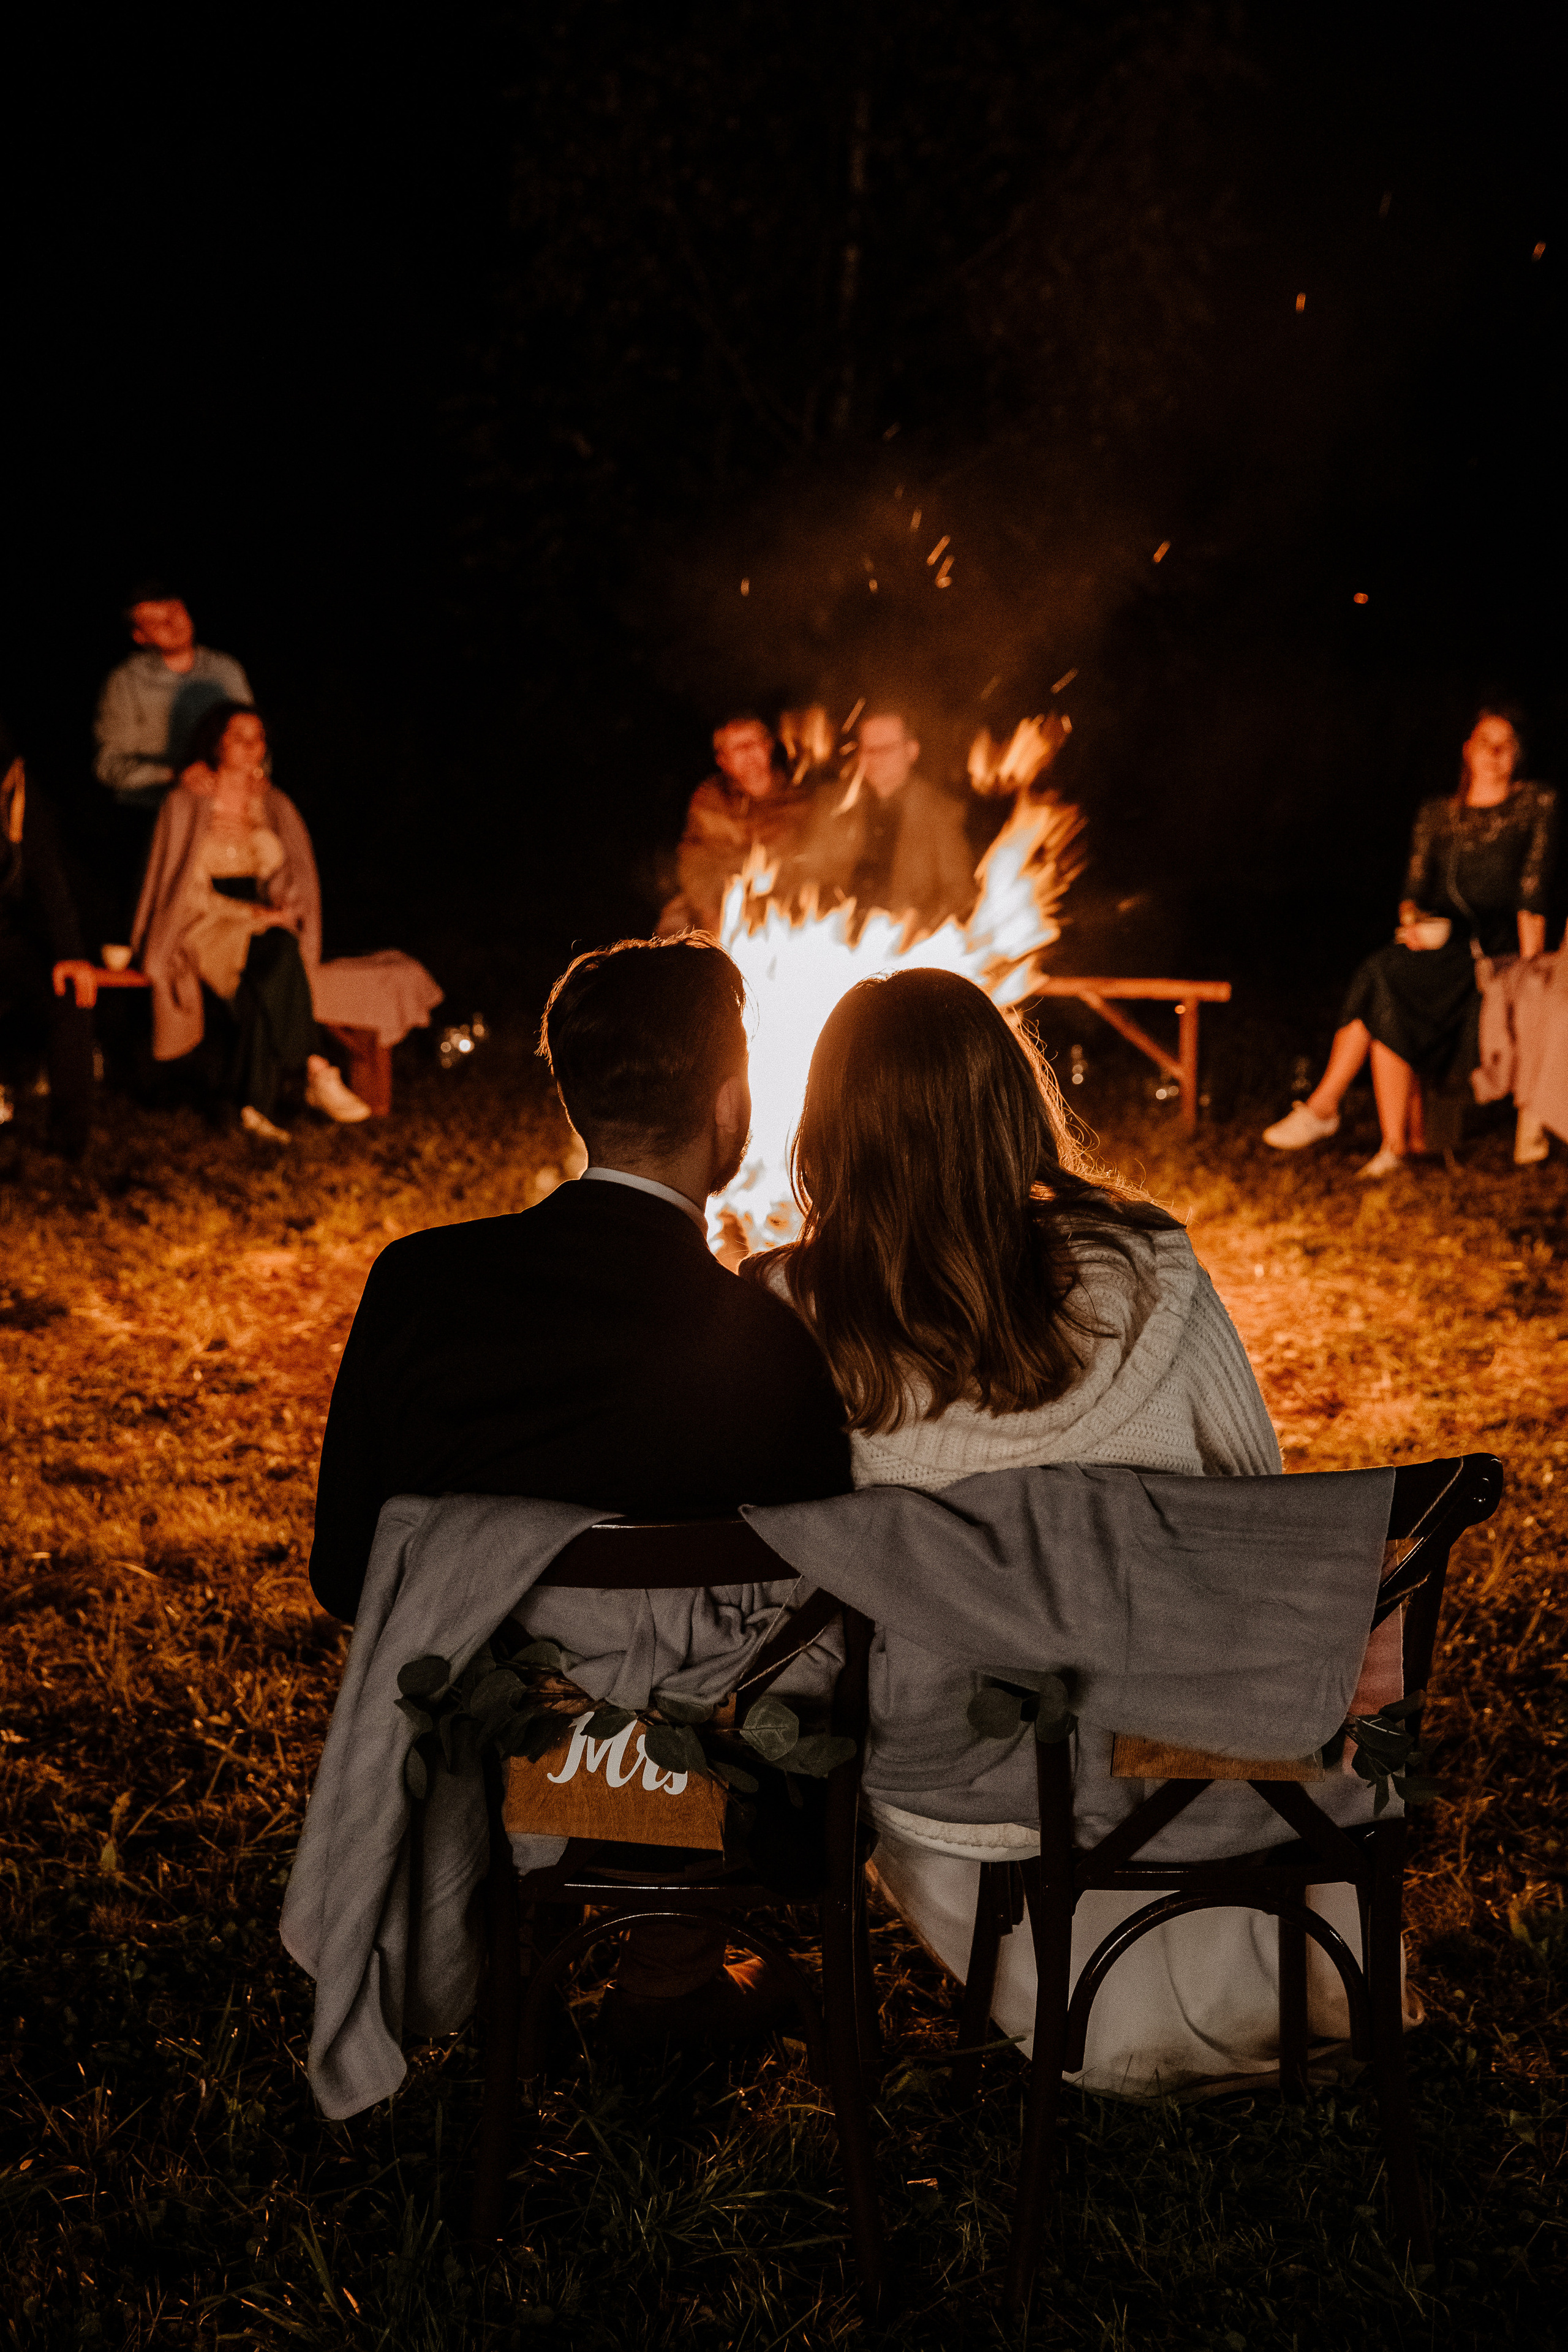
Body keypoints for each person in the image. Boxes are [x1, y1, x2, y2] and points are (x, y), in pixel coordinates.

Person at [747, 969, 1378, 2093]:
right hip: (1197, 1773)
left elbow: (784, 1589)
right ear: (1014, 1108)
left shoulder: (792, 1312)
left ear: (830, 1124)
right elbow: (1256, 1495)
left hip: (964, 1800)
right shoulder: (1155, 1270)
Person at [307, 934, 853, 2045]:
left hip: (489, 1775)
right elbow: (819, 1619)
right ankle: (670, 1973)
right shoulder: (773, 1343)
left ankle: (522, 1958)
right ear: (733, 1101)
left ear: (571, 1092)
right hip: (706, 1792)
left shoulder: (417, 1287)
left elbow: (343, 1574)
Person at [1264, 706, 1558, 1175]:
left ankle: (1331, 1112)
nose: (1495, 754)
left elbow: (1532, 891)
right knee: (1388, 974)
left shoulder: (1535, 804)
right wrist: (1414, 924)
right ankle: (1389, 1143)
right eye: (1486, 741)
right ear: (1468, 749)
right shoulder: (1437, 813)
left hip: (1496, 952)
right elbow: (1413, 892)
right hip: (1446, 946)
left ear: (1518, 754)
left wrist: (1532, 969)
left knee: (1383, 975)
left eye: (1507, 744)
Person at [131, 701, 372, 1139]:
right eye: (238, 737)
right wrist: (250, 913)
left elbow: (291, 870)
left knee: (262, 985)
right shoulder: (186, 799)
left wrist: (282, 904)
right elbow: (180, 885)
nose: (251, 746)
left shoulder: (273, 802)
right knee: (280, 953)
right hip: (201, 919)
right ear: (215, 743)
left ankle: (252, 1108)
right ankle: (316, 1068)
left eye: (258, 737)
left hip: (261, 917)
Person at [0, 719, 94, 1161]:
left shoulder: (20, 795)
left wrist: (71, 955)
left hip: (9, 937)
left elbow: (48, 877)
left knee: (69, 998)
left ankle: (70, 1143)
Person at [812, 706, 978, 936]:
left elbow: (959, 894)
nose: (875, 759)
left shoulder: (940, 813)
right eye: (869, 749)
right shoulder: (833, 806)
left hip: (903, 946)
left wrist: (913, 930)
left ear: (911, 751)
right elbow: (811, 875)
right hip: (834, 938)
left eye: (886, 749)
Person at [94, 582, 254, 810]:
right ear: (140, 636)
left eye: (174, 612)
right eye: (155, 622)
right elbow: (109, 766)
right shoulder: (127, 681)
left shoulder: (225, 670)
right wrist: (175, 774)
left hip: (225, 804)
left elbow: (256, 739)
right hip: (152, 808)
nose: (171, 624)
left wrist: (255, 776)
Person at [657, 714, 815, 933]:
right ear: (723, 760)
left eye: (753, 744)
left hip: (784, 898)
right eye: (737, 748)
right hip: (722, 898)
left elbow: (816, 861)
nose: (748, 754)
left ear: (768, 746)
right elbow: (695, 861)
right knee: (674, 923)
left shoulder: (800, 797)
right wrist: (711, 911)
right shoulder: (711, 799)